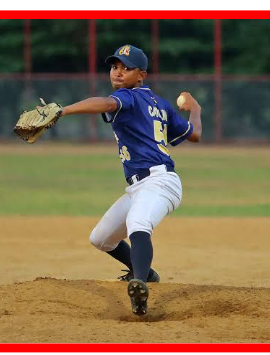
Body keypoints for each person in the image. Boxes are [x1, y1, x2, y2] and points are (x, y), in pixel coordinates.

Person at [59, 44, 202, 316]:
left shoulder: (130, 97)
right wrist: (195, 108)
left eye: (127, 68)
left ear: (142, 75)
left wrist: (63, 111)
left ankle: (138, 282)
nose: (118, 72)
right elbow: (194, 133)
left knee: (138, 223)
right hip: (139, 187)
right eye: (115, 67)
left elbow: (105, 102)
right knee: (100, 238)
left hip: (160, 182)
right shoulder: (160, 104)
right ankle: (147, 273)